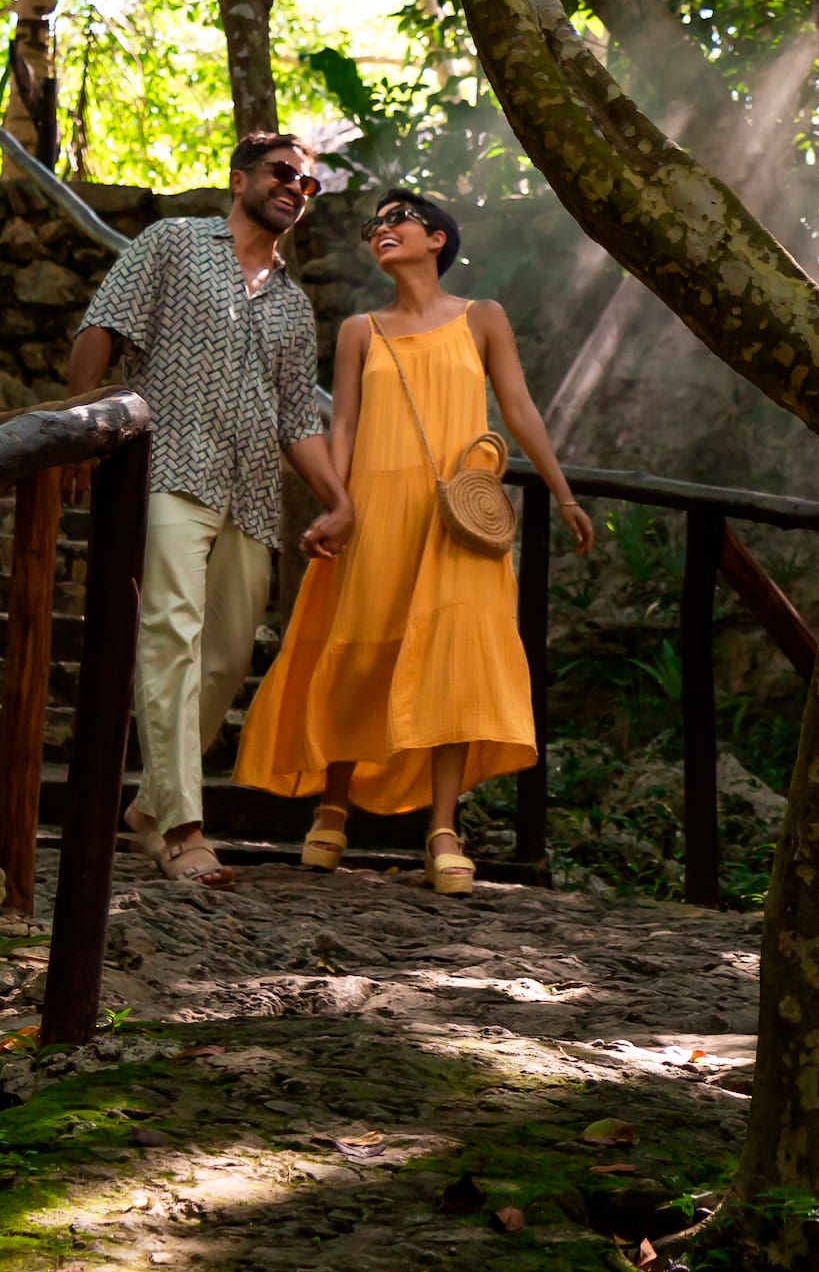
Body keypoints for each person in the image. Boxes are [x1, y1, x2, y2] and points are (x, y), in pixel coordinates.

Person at [234, 189, 591, 893]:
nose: (381, 232)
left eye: (396, 220)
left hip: (457, 515)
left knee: (455, 657)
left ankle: (443, 826)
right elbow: (341, 428)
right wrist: (335, 505)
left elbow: (517, 407)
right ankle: (333, 807)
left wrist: (563, 491)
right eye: (374, 227)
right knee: (359, 645)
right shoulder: (362, 331)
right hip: (375, 505)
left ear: (437, 239)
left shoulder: (482, 318)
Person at [68, 131, 353, 887]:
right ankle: (183, 829)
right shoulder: (172, 244)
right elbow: (101, 327)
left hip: (254, 493)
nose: (295, 185)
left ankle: (148, 807)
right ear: (239, 178)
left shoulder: (295, 307)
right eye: (281, 172)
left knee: (226, 655)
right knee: (170, 635)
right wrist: (78, 429)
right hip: (167, 467)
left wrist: (339, 499)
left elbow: (300, 418)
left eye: (308, 182)